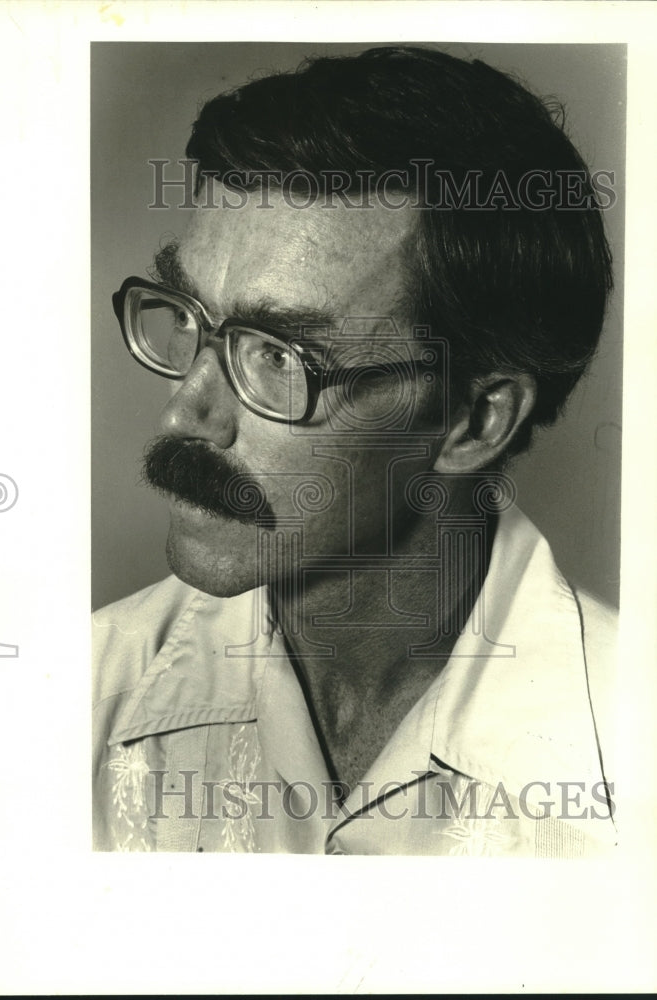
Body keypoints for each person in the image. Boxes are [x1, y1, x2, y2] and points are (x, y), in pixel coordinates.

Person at [93, 45, 618, 855]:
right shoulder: (77, 702)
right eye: (191, 318)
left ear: (474, 422)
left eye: (278, 355)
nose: (184, 415)